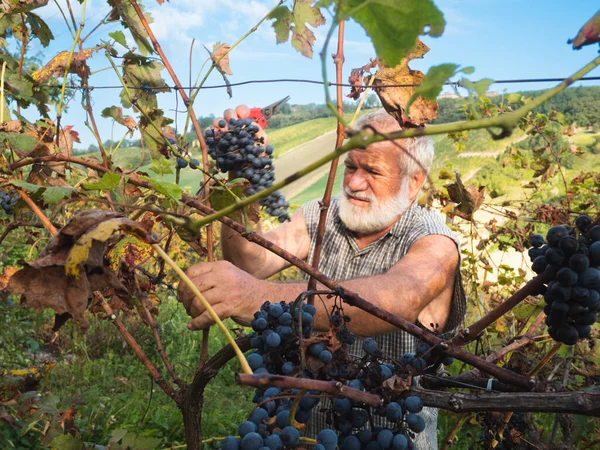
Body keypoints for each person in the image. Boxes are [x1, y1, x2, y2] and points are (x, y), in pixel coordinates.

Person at [178, 108, 466, 450]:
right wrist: (242, 180)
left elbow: (399, 298)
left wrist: (255, 295)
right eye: (351, 167)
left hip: (388, 438)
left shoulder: (433, 240)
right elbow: (251, 263)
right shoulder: (324, 213)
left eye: (372, 170)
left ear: (414, 180)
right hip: (305, 434)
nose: (355, 183)